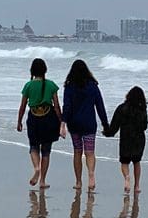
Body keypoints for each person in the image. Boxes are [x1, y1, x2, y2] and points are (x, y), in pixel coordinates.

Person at [17, 58, 65, 189]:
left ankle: (36, 168)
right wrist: (61, 121)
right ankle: (42, 180)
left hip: (33, 118)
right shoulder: (51, 85)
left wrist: (19, 121)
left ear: (32, 71)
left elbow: (22, 106)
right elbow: (56, 106)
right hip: (49, 119)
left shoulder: (28, 85)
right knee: (46, 151)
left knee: (33, 146)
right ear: (45, 70)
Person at [62, 59, 108, 191]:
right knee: (90, 152)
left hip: (74, 124)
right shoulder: (93, 86)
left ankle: (78, 182)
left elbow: (67, 106)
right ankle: (91, 176)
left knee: (77, 152)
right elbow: (100, 106)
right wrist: (105, 124)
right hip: (89, 123)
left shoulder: (69, 86)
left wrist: (63, 123)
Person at [102, 86, 148, 194]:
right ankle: (137, 186)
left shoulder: (122, 108)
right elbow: (144, 126)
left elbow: (114, 126)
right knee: (137, 162)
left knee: (125, 161)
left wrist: (107, 132)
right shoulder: (142, 109)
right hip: (139, 139)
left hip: (126, 138)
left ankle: (127, 178)